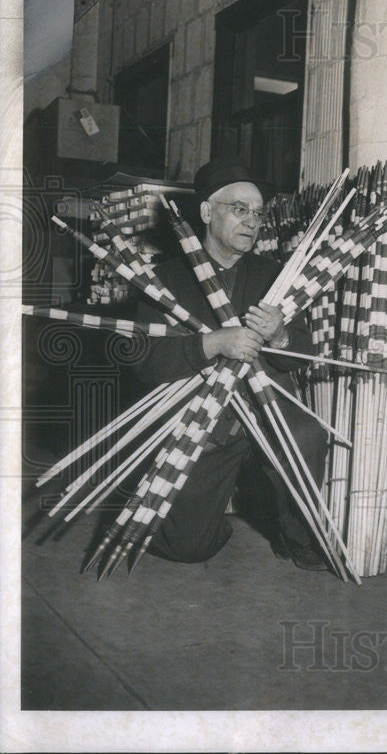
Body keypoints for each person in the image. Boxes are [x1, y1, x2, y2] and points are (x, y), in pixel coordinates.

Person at [133, 157, 328, 570]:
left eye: (258, 213)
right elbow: (141, 361)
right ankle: (221, 503)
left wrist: (280, 336)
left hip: (268, 405)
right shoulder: (162, 279)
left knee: (306, 432)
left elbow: (305, 353)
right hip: (202, 416)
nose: (253, 221)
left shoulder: (276, 275)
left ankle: (295, 533)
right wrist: (211, 343)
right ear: (206, 211)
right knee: (186, 547)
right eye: (239, 208)